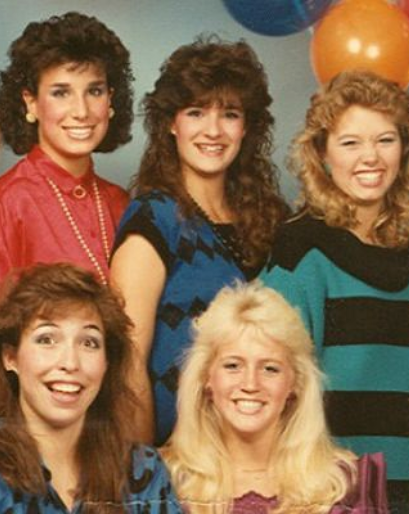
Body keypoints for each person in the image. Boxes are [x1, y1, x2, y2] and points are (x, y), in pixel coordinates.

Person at [260, 70, 409, 510]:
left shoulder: (397, 252)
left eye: (385, 140)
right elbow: (267, 396)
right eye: (350, 142)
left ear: (405, 149)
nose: (370, 157)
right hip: (319, 496)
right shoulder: (302, 252)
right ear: (322, 153)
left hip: (388, 491)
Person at [110, 37, 289, 446]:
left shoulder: (272, 219)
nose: (213, 130)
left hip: (262, 453)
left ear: (247, 127)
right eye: (196, 112)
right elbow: (127, 363)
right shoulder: (154, 218)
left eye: (229, 114)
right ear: (171, 123)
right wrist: (147, 470)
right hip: (179, 457)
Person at [0, 12, 135, 382]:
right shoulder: (4, 207)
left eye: (94, 91)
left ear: (111, 100)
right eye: (61, 92)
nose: (81, 111)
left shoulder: (123, 205)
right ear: (30, 103)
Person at [0, 264, 181, 513]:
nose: (70, 363)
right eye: (47, 340)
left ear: (107, 362)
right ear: (10, 357)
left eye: (89, 343)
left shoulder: (143, 472)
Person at [162, 282, 389, 513]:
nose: (250, 384)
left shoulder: (345, 485)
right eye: (233, 365)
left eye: (270, 369)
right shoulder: (164, 481)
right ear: (206, 378)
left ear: (295, 383)